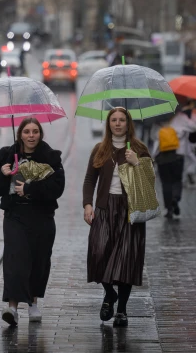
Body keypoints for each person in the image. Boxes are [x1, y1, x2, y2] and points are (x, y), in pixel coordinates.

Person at [0, 118, 65, 326]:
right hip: (15, 216)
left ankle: (33, 303)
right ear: (20, 134)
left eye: (35, 132)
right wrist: (3, 175)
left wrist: (29, 189)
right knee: (15, 260)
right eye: (27, 131)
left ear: (40, 134)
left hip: (42, 217)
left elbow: (58, 187)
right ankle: (12, 307)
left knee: (38, 261)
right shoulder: (7, 155)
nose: (31, 135)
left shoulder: (50, 157)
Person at [83, 107, 150, 327]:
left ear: (128, 123)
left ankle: (121, 311)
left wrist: (137, 163)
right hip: (104, 207)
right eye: (114, 120)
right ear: (108, 123)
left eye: (122, 120)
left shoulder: (139, 149)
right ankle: (109, 294)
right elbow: (89, 180)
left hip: (130, 210)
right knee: (98, 253)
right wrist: (88, 204)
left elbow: (150, 182)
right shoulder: (100, 149)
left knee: (126, 260)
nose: (118, 124)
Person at [152, 116, 184, 218]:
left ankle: (169, 209)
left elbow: (155, 144)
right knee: (177, 180)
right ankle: (176, 198)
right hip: (177, 157)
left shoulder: (156, 129)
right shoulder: (177, 124)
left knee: (166, 184)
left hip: (163, 160)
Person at [170, 100, 196, 186]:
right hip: (180, 146)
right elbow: (195, 127)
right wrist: (194, 116)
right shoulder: (183, 116)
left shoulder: (172, 116)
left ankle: (183, 178)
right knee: (185, 162)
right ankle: (183, 179)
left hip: (169, 146)